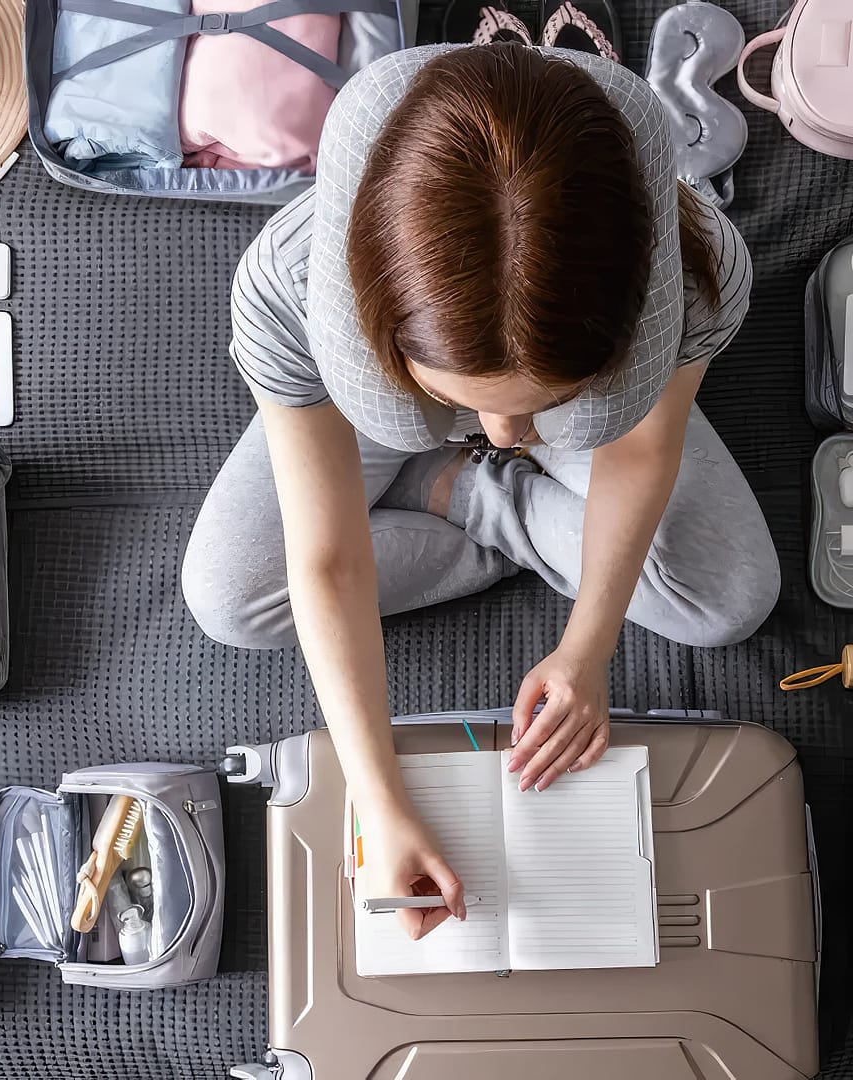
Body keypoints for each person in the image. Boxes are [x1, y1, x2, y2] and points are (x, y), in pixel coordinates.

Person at [181, 42, 779, 939]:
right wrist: (375, 803)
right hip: (369, 426)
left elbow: (636, 455)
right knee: (231, 600)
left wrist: (588, 649)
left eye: (540, 411)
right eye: (468, 410)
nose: (506, 436)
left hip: (567, 433)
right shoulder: (287, 286)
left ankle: (468, 493)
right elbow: (326, 555)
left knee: (728, 599)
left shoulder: (698, 277)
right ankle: (466, 477)